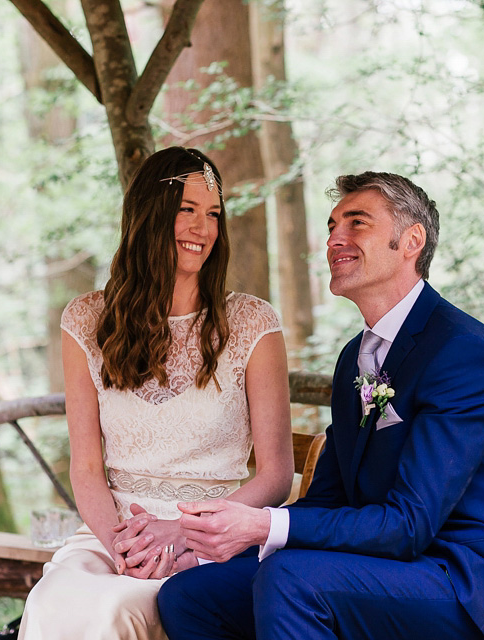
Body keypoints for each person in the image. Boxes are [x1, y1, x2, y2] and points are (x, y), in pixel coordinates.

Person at [157, 172, 484, 640]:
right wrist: (211, 546)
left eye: (356, 223)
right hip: (382, 567)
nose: (333, 239)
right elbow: (328, 499)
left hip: (466, 584)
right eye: (331, 226)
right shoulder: (354, 359)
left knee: (293, 581)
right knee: (190, 594)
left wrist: (262, 524)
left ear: (411, 241)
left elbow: (409, 524)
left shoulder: (461, 351)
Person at [17, 147, 294, 640]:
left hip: (210, 539)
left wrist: (188, 535)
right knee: (51, 599)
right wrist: (123, 548)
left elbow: (275, 475)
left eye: (213, 214)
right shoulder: (85, 320)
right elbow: (85, 468)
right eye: (186, 210)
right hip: (112, 534)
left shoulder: (253, 324)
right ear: (149, 215)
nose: (202, 228)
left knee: (113, 611)